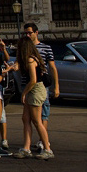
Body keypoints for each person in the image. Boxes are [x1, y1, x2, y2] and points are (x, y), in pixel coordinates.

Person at [13, 35, 54, 159]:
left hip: (35, 89)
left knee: (37, 121)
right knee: (26, 118)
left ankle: (47, 149)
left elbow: (33, 80)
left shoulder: (31, 60)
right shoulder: (28, 59)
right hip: (33, 89)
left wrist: (24, 93)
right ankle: (26, 148)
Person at [23, 22, 59, 154]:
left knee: (42, 114)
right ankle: (33, 144)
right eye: (25, 33)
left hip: (40, 85)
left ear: (36, 33)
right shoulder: (25, 49)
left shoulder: (45, 48)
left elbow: (53, 67)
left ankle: (43, 141)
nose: (27, 35)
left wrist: (56, 87)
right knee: (27, 117)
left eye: (29, 33)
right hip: (27, 85)